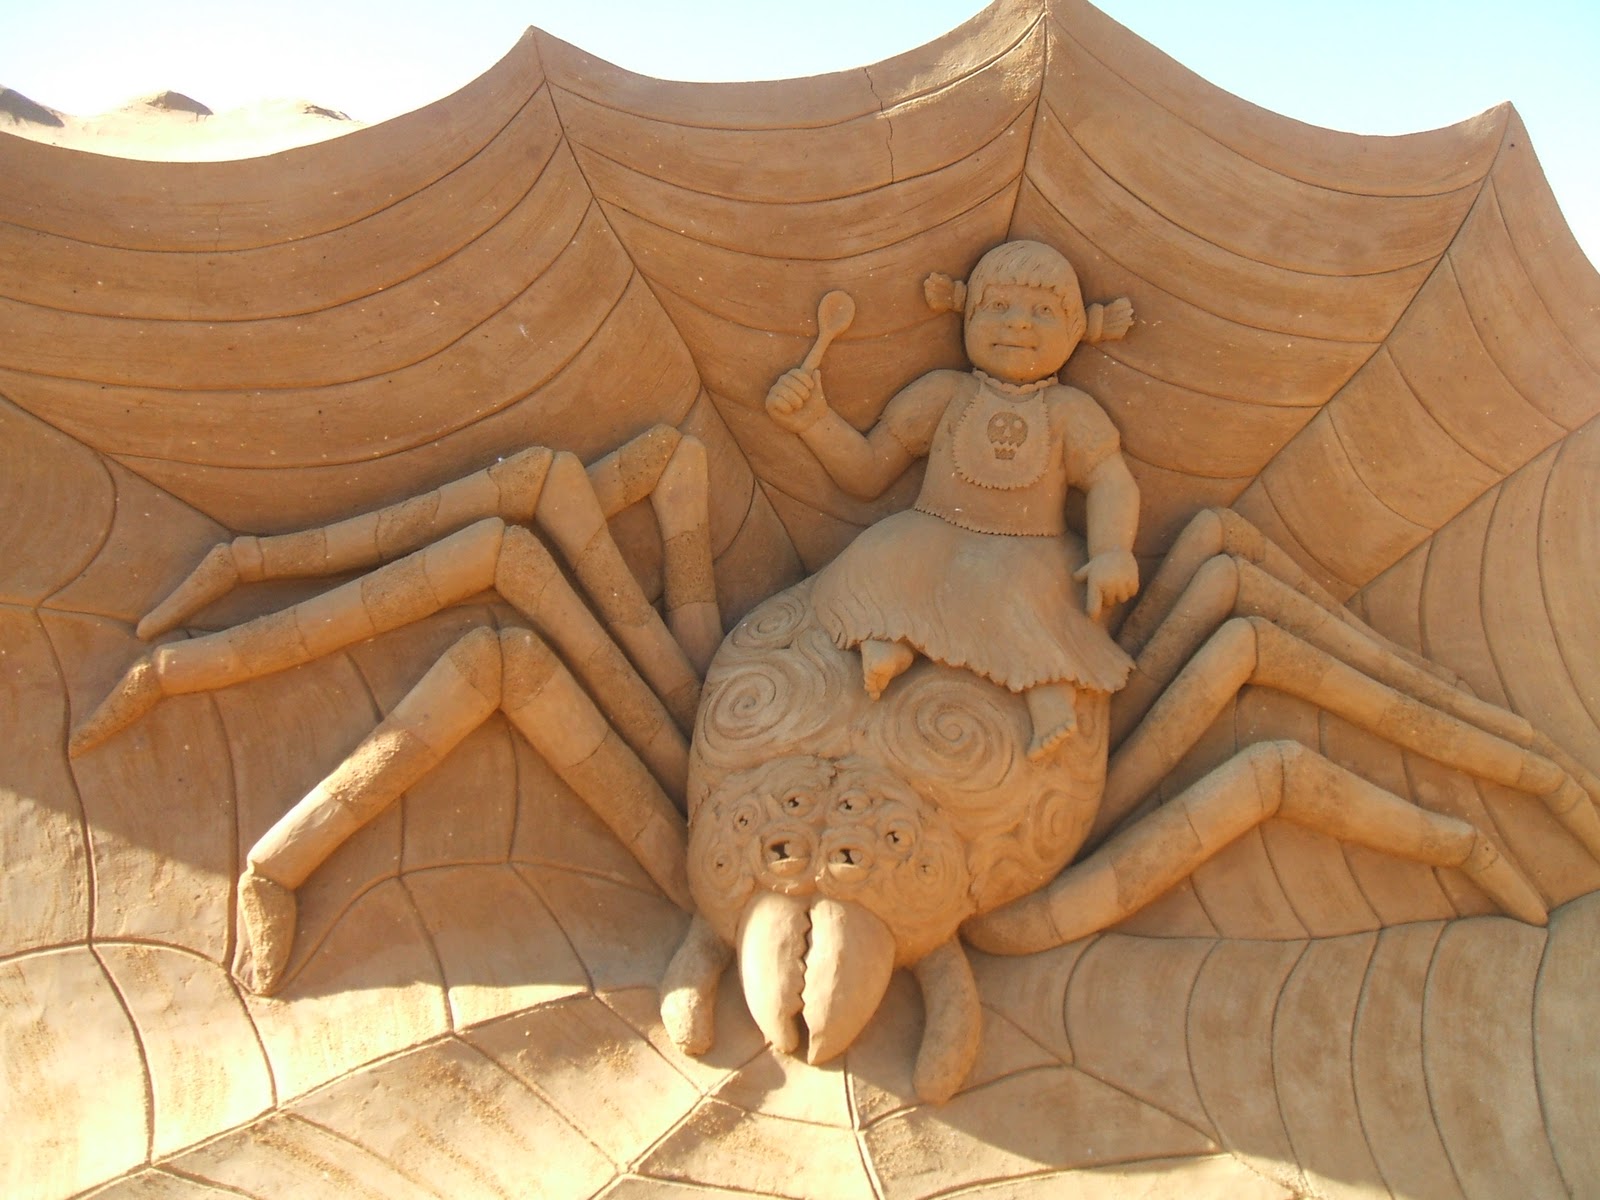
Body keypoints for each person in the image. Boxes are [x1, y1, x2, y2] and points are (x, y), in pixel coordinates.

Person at [765, 240, 1140, 760]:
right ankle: (888, 641)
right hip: (932, 531)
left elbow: (1111, 482)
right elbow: (868, 474)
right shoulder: (944, 393)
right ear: (966, 317)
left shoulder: (1070, 412)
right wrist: (814, 422)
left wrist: (1111, 551)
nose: (1018, 323)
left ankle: (1049, 693)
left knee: (1023, 597)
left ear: (1078, 330)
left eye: (1043, 311)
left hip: (1028, 550)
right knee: (886, 556)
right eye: (998, 306)